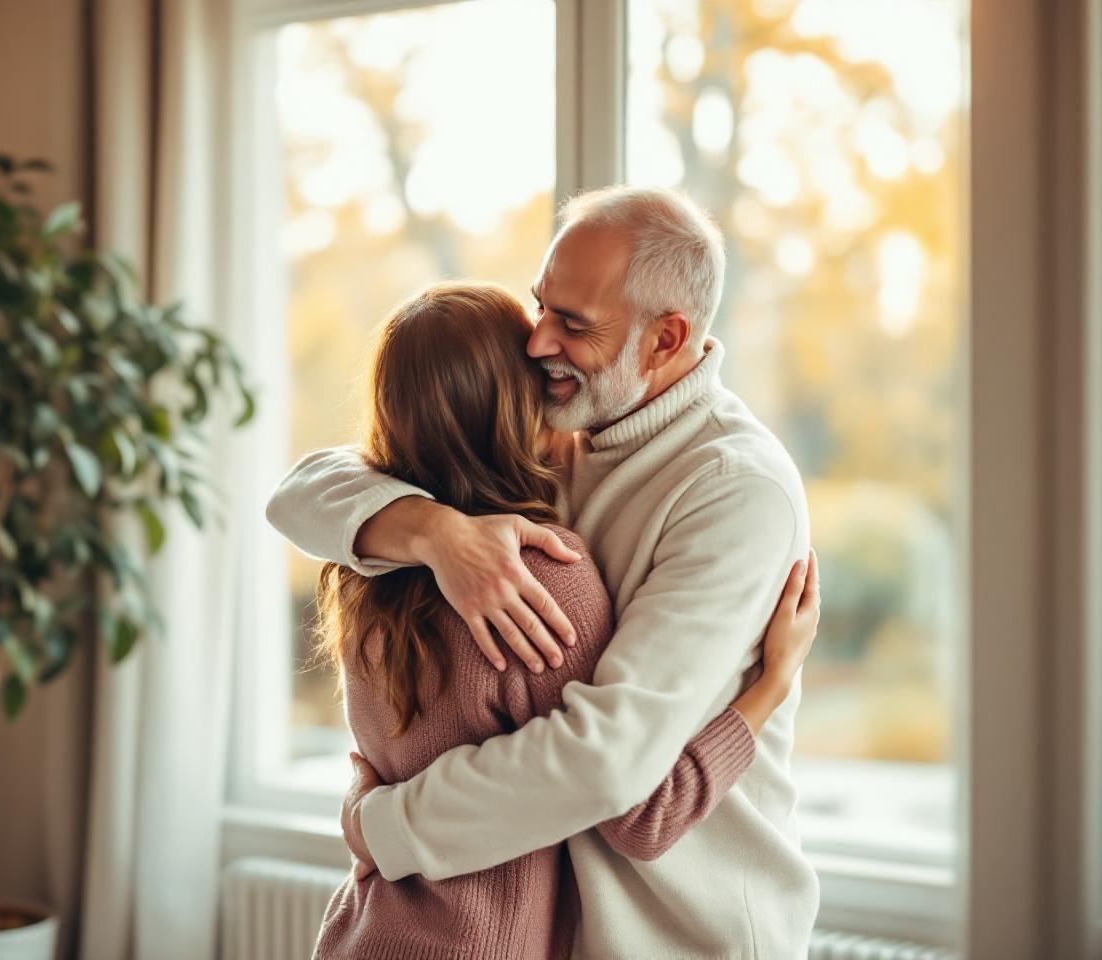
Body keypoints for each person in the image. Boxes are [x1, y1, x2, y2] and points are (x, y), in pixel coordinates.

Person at [270, 185, 821, 958]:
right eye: (540, 307)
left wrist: (384, 827)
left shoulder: (733, 488)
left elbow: (607, 763)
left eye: (574, 324)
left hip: (685, 933)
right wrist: (437, 534)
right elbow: (297, 493)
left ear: (665, 339)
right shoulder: (565, 431)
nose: (536, 343)